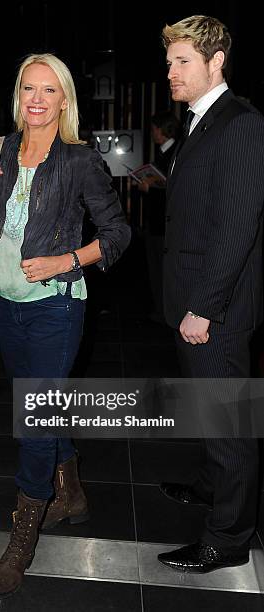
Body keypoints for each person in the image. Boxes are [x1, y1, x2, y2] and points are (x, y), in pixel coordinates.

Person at [0, 53, 131, 598]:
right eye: (28, 88)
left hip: (57, 304)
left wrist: (66, 261)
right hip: (4, 300)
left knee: (33, 420)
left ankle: (21, 538)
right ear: (19, 94)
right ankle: (74, 493)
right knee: (34, 404)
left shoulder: (80, 161)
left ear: (65, 99)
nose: (37, 99)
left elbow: (117, 234)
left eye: (49, 90)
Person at [158, 15, 264, 572]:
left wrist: (204, 307)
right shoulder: (202, 122)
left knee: (231, 425)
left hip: (214, 311)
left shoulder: (240, 122)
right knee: (209, 412)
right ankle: (209, 485)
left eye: (183, 62)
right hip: (193, 302)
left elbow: (238, 226)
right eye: (169, 61)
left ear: (216, 60)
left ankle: (228, 539)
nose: (170, 72)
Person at [138, 111, 180, 323]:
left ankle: (165, 312)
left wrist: (150, 188)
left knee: (162, 271)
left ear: (162, 129)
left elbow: (175, 189)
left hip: (164, 225)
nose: (152, 132)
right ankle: (162, 310)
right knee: (157, 270)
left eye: (154, 128)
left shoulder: (175, 152)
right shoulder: (166, 152)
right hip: (157, 223)